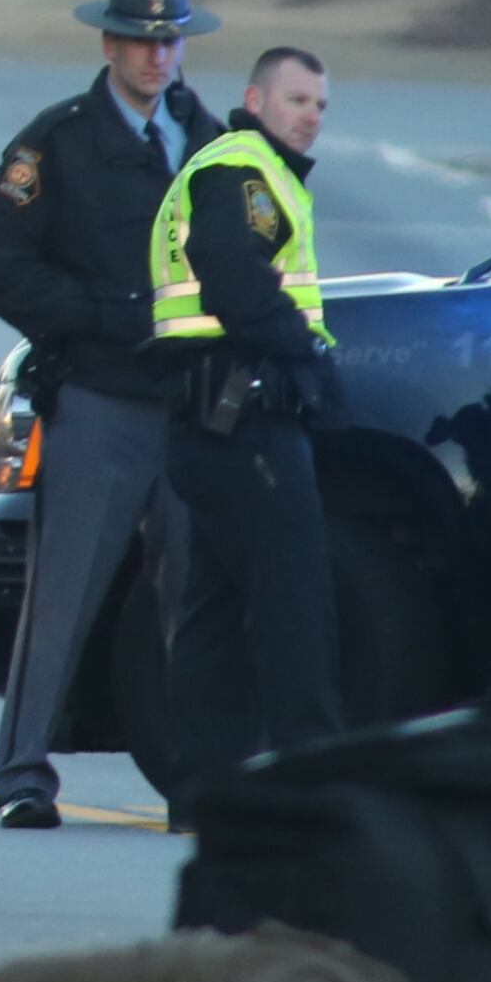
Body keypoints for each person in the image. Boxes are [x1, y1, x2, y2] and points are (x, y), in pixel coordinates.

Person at [0, 0, 226, 829]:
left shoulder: (212, 139)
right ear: (111, 43)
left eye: (171, 41)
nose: (159, 58)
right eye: (144, 41)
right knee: (64, 596)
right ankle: (23, 777)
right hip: (101, 402)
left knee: (193, 602)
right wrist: (101, 314)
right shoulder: (60, 143)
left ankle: (194, 778)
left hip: (190, 408)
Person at [149, 43, 344, 808]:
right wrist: (308, 357)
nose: (311, 118)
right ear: (256, 101)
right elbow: (233, 276)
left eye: (321, 106)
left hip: (206, 426)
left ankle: (202, 795)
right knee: (296, 606)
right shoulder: (244, 171)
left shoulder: (228, 167)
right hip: (249, 421)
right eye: (297, 101)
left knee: (213, 613)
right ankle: (315, 785)